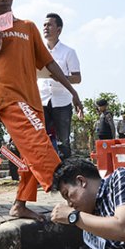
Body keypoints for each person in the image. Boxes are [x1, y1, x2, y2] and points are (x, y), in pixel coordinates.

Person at [0, 0, 83, 220]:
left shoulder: (28, 27)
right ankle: (75, 193)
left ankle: (20, 205)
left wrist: (72, 91)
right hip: (8, 97)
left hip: (32, 100)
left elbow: (50, 64)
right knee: (42, 147)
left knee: (30, 154)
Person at [40, 13, 81, 159]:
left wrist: (59, 77)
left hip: (62, 101)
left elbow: (77, 78)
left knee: (63, 142)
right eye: (44, 25)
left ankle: (66, 176)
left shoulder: (69, 52)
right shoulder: (38, 51)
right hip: (42, 100)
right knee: (41, 140)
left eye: (49, 25)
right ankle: (46, 175)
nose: (46, 28)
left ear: (59, 29)